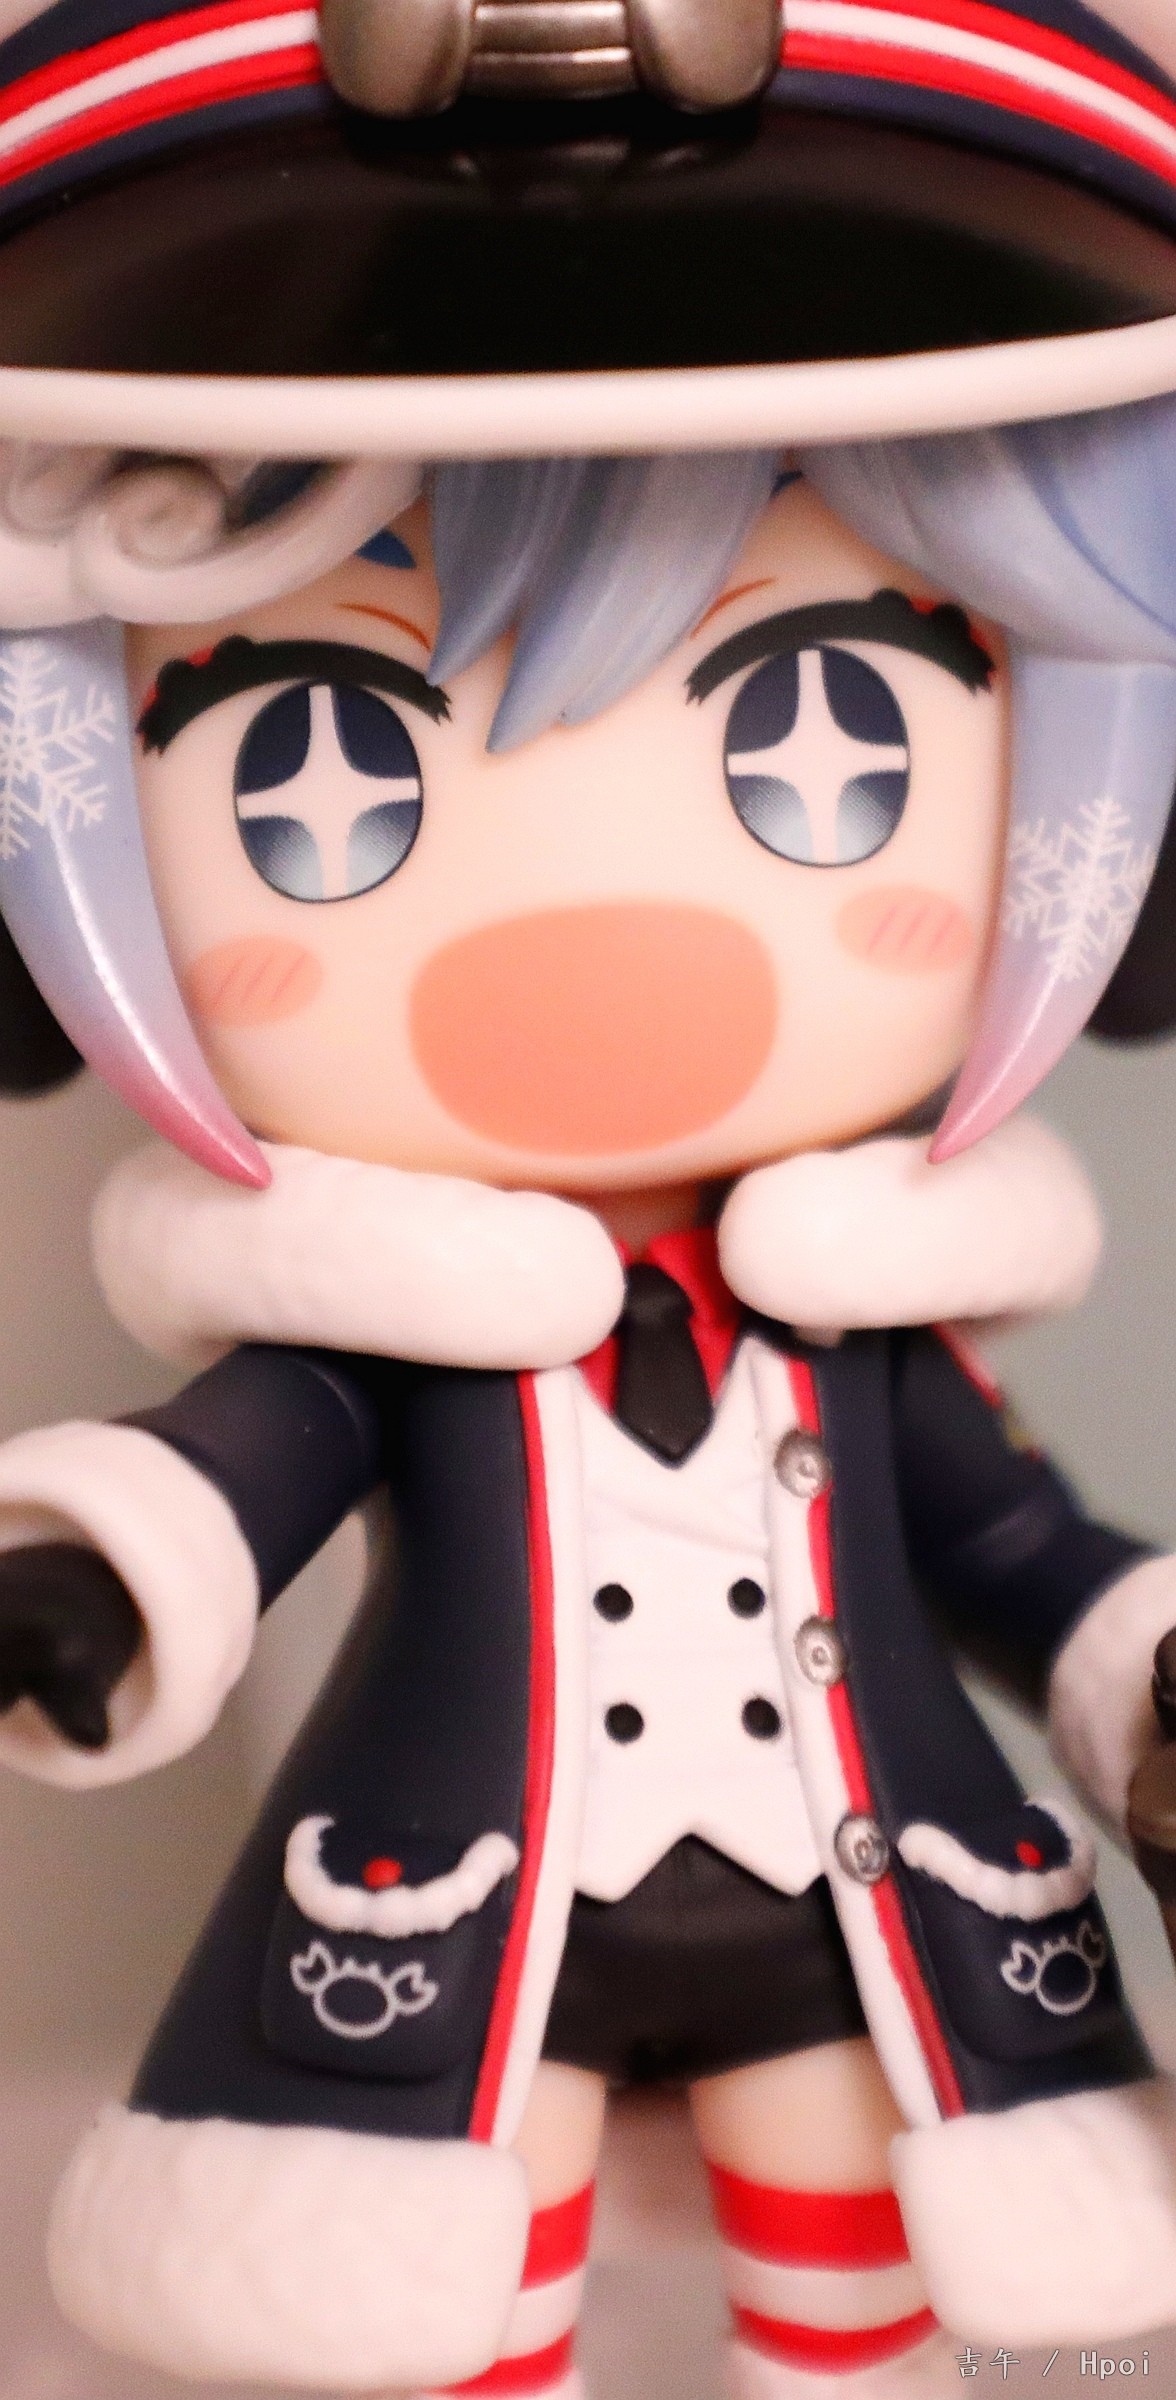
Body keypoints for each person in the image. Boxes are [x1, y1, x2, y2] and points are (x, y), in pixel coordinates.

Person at [0, 2, 1176, 2396]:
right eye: (312, 759)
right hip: (450, 1936)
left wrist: (1153, 1679)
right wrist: (85, 1585)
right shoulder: (379, 1329)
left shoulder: (862, 1311)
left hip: (863, 1928)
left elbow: (1017, 1548)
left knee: (854, 2293)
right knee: (467, 2298)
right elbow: (231, 1479)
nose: (586, 935)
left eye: (831, 733)